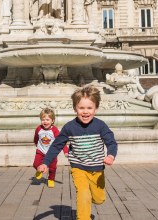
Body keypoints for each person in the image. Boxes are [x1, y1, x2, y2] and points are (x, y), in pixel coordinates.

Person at [37, 85, 118, 220]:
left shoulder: (100, 126)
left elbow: (111, 142)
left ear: (96, 109)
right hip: (78, 167)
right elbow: (56, 146)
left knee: (99, 199)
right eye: (81, 108)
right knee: (83, 193)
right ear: (75, 109)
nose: (85, 112)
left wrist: (110, 155)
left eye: (89, 108)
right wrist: (45, 163)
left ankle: (94, 198)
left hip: (97, 169)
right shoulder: (69, 127)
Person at [33, 108, 68, 188]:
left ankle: (51, 179)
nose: (45, 122)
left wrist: (65, 151)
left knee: (52, 168)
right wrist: (35, 142)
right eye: (43, 120)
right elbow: (36, 136)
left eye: (47, 120)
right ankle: (39, 170)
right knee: (35, 164)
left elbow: (61, 141)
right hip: (40, 151)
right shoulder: (39, 129)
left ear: (52, 120)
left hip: (52, 153)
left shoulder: (55, 130)